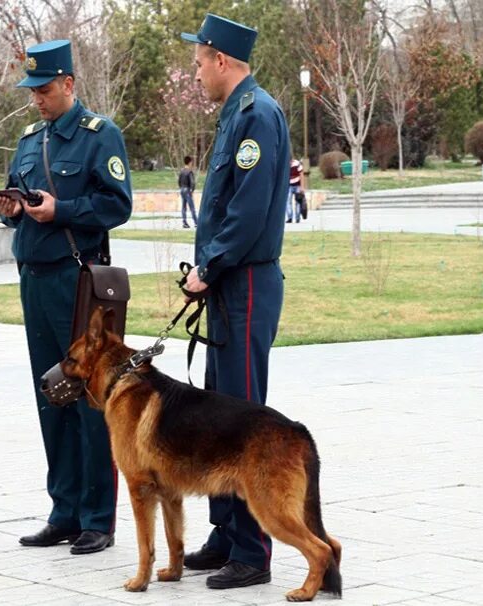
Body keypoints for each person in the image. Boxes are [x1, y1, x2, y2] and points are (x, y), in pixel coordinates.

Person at [0, 40, 132, 556]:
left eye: (46, 90)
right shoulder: (30, 140)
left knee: (90, 400)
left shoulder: (101, 136)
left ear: (69, 85)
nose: (38, 100)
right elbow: (15, 194)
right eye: (32, 91)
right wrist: (11, 209)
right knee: (51, 396)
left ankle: (98, 517)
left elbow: (118, 205)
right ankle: (64, 511)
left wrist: (64, 210)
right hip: (34, 279)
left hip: (78, 284)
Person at [179, 13, 290, 590]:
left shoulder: (257, 115)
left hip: (243, 283)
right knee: (216, 418)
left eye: (198, 62)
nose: (195, 73)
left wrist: (210, 266)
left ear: (221, 59)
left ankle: (253, 552)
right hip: (227, 284)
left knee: (243, 423)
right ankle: (226, 535)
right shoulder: (234, 116)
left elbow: (246, 212)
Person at [179, 155, 197, 228]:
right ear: (189, 162)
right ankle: (196, 222)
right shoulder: (189, 172)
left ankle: (184, 222)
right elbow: (192, 182)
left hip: (182, 189)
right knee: (192, 207)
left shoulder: (182, 171)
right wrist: (192, 190)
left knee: (183, 207)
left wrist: (181, 187)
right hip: (187, 190)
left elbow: (179, 181)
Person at [285, 157, 304, 223]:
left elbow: (301, 175)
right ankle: (290, 217)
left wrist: (302, 186)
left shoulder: (297, 163)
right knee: (288, 201)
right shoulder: (285, 164)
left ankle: (297, 218)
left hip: (297, 185)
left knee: (298, 202)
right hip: (289, 186)